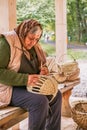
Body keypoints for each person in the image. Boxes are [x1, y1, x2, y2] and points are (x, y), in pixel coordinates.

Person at [0, 19, 62, 130]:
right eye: (31, 38)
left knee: (56, 95)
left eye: (37, 39)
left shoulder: (34, 46)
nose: (33, 42)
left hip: (25, 85)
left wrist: (41, 71)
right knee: (39, 101)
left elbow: (37, 65)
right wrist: (25, 79)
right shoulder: (6, 43)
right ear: (23, 32)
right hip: (6, 88)